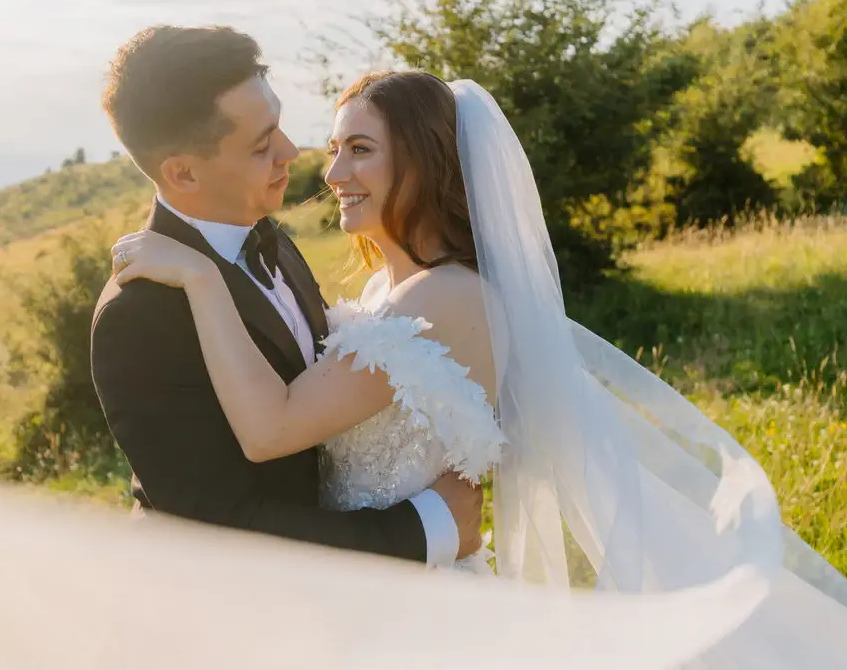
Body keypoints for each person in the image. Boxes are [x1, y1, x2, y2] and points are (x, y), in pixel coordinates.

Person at [112, 67, 847, 666]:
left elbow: (272, 429)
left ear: (425, 161)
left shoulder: (444, 298)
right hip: (358, 598)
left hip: (408, 605)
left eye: (360, 149)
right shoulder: (392, 291)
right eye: (336, 148)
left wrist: (202, 280)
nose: (332, 171)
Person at [90, 26, 482, 570]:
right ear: (183, 172)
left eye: (278, 125)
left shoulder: (276, 244)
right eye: (261, 144)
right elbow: (213, 523)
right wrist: (425, 530)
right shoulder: (138, 315)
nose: (291, 152)